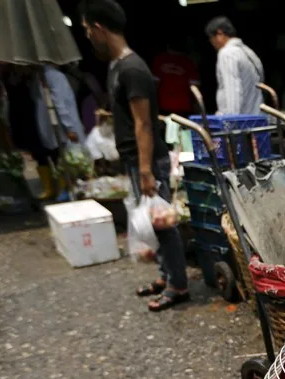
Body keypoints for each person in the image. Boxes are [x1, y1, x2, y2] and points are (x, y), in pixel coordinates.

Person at [81, 0, 189, 312]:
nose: (88, 36)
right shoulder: (117, 67)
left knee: (161, 223)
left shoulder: (132, 69)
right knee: (149, 220)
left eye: (88, 30)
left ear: (100, 28)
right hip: (134, 159)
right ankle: (167, 275)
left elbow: (143, 123)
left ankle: (179, 285)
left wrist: (145, 170)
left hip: (148, 160)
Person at [27, 65, 87, 200]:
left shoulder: (41, 76)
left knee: (67, 159)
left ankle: (67, 189)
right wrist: (69, 127)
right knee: (74, 160)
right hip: (63, 126)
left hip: (53, 126)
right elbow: (60, 104)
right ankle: (71, 189)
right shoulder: (54, 76)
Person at [205, 16, 264, 115]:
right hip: (256, 117)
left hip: (241, 123)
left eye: (211, 38)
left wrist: (231, 121)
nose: (212, 43)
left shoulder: (227, 53)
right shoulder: (248, 52)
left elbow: (232, 92)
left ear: (220, 33)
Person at [151, 45, 200, 116]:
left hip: (174, 107)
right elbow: (195, 88)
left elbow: (155, 86)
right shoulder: (189, 61)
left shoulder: (188, 61)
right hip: (179, 107)